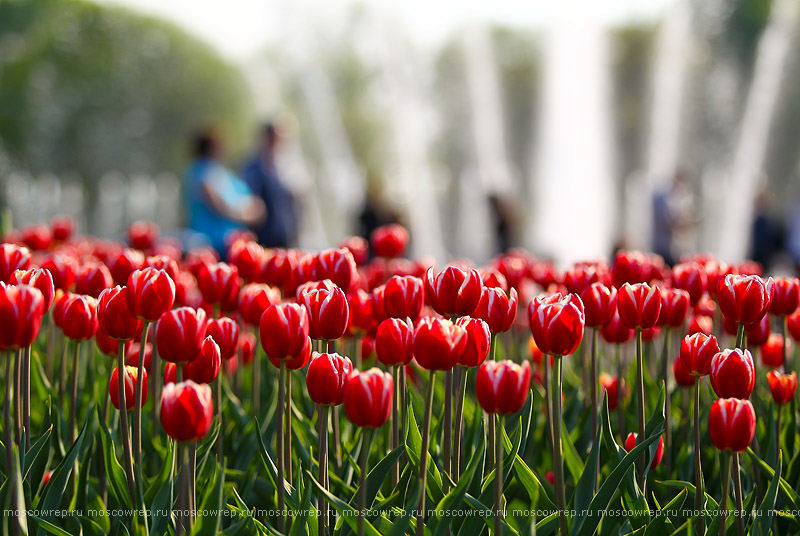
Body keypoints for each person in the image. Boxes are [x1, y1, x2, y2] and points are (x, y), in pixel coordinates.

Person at [184, 129, 265, 254]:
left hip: (231, 240)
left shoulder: (221, 172)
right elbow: (217, 205)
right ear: (210, 148)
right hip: (212, 242)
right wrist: (245, 215)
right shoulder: (202, 171)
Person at [241, 123, 298, 247]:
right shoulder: (253, 166)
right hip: (264, 233)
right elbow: (249, 198)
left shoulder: (286, 165)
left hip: (285, 232)